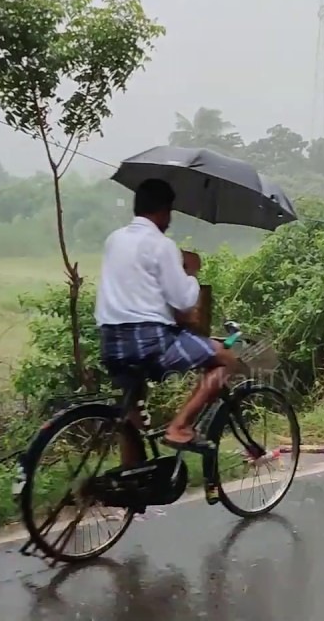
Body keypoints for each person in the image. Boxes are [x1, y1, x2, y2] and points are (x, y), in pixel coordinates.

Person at [95, 178, 237, 465]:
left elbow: (140, 285)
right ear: (164, 211)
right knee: (224, 359)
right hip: (148, 341)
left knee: (131, 404)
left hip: (111, 341)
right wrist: (192, 271)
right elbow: (184, 301)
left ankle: (131, 475)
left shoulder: (114, 239)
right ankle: (180, 426)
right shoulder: (162, 245)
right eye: (170, 213)